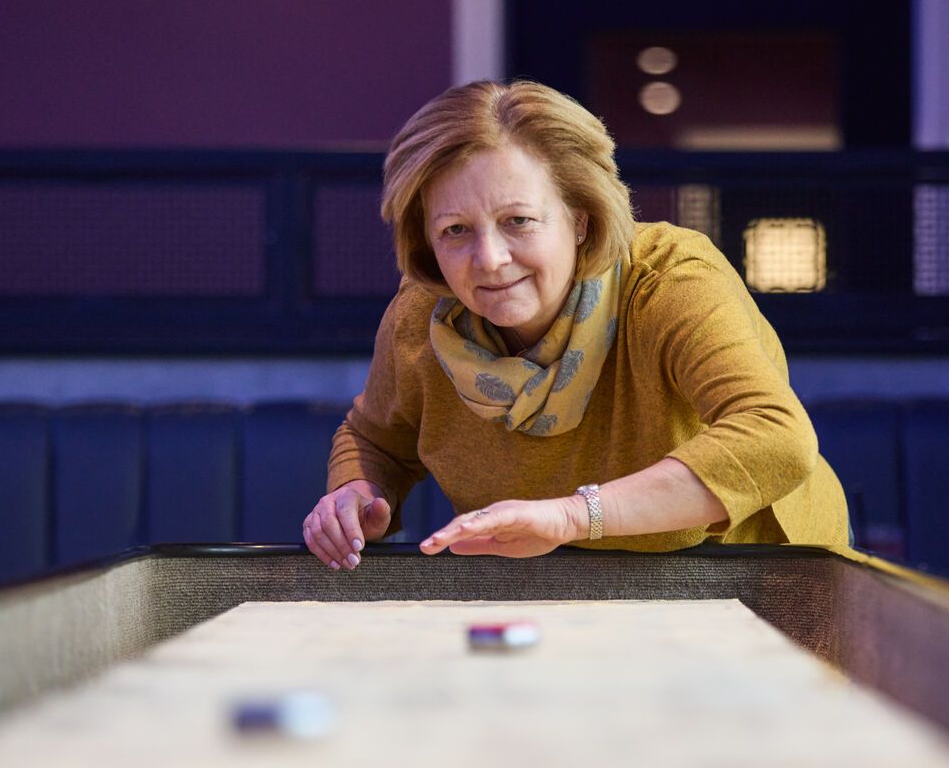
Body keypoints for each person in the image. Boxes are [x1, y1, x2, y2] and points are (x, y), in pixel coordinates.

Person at [302, 79, 849, 568]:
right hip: (549, 583)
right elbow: (375, 438)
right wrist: (356, 494)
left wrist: (569, 516)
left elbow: (775, 436)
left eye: (518, 221)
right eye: (455, 230)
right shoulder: (420, 314)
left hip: (753, 573)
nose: (488, 259)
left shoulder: (671, 279)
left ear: (580, 219)